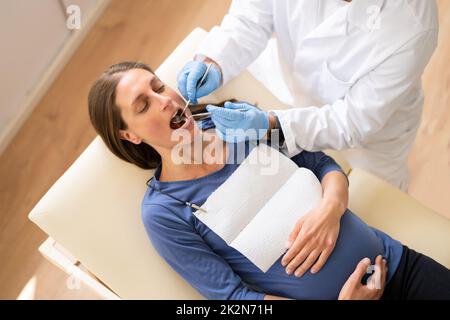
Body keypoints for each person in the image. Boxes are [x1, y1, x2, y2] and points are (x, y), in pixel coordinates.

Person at [87, 62, 450, 300]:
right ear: (129, 136)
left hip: (396, 264)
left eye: (159, 86)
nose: (164, 100)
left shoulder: (235, 123)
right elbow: (233, 301)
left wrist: (330, 207)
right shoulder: (165, 210)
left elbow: (321, 163)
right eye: (143, 105)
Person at [177, 0, 439, 192]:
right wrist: (214, 60)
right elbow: (250, 18)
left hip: (367, 139)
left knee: (372, 204)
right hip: (285, 75)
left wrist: (270, 125)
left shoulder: (411, 24)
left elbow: (351, 122)